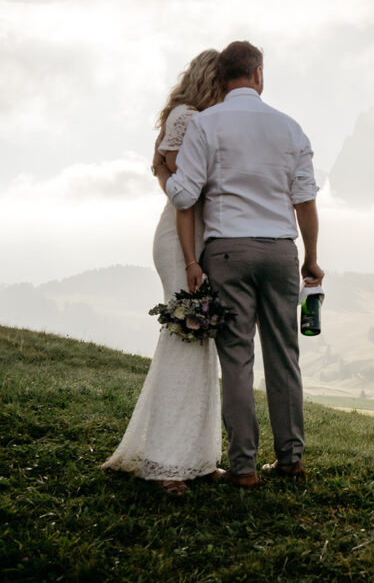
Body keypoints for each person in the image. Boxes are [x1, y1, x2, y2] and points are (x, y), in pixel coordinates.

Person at [157, 40, 323, 488]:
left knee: (237, 359)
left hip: (227, 251)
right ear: (258, 74)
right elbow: (304, 200)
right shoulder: (289, 128)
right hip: (280, 251)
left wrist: (163, 175)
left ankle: (244, 467)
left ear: (222, 77)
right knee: (284, 356)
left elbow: (187, 196)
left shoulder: (206, 125)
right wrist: (311, 258)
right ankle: (290, 458)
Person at [102, 50, 226, 495]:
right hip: (181, 241)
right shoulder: (188, 116)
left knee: (200, 340)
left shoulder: (197, 118)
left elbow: (166, 169)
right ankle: (166, 464)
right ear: (215, 80)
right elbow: (178, 184)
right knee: (186, 336)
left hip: (198, 237)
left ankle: (197, 457)